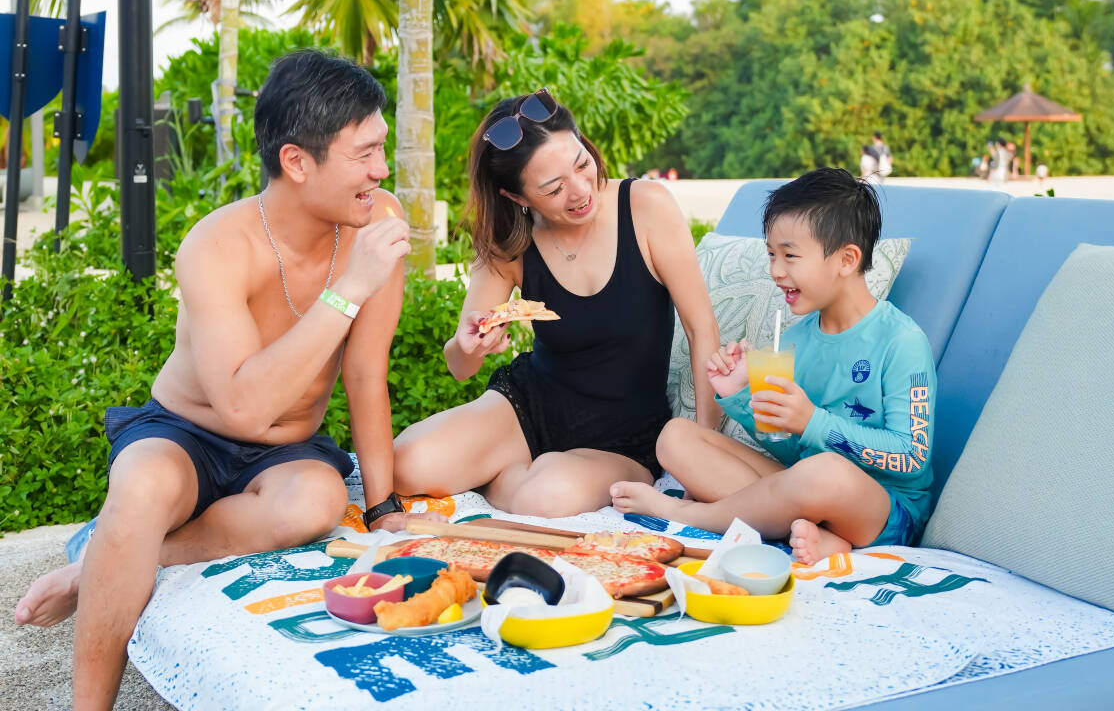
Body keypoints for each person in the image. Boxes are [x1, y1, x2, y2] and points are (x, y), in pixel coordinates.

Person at [13, 50, 437, 710]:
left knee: (317, 503)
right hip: (185, 433)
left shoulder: (375, 221)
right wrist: (350, 288)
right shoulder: (216, 246)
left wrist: (383, 511)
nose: (381, 171)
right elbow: (241, 408)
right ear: (297, 161)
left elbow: (363, 373)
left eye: (380, 150)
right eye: (364, 154)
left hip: (287, 449)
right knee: (142, 488)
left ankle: (103, 562)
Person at [392, 88, 720, 517]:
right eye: (554, 188)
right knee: (405, 465)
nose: (581, 191)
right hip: (529, 406)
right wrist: (468, 345)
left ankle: (510, 478)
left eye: (582, 164)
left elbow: (701, 329)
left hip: (623, 438)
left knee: (543, 498)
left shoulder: (646, 207)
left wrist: (704, 454)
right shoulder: (510, 244)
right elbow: (459, 366)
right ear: (518, 197)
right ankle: (519, 471)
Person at [610, 168, 937, 565]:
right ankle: (818, 534)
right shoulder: (796, 339)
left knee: (824, 472)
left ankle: (684, 513)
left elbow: (911, 456)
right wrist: (739, 394)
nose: (776, 271)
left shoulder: (901, 341)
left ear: (847, 259)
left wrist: (813, 421)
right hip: (804, 486)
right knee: (676, 437)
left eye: (790, 256)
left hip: (885, 510)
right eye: (771, 255)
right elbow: (789, 448)